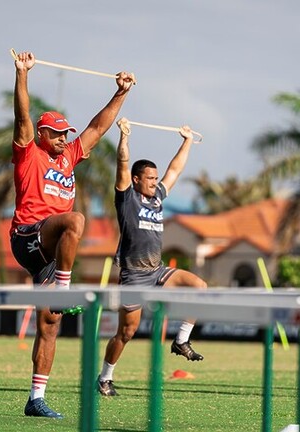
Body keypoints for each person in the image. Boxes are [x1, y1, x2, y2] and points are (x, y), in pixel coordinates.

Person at [9, 51, 135, 419]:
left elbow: (97, 128)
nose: (66, 138)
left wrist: (121, 93)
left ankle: (36, 398)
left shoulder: (69, 156)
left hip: (50, 253)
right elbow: (21, 115)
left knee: (50, 325)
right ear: (43, 133)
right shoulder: (28, 152)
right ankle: (65, 287)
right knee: (75, 220)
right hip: (28, 237)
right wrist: (22, 74)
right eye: (59, 133)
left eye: (67, 134)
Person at [96, 118, 207, 397]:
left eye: (155, 178)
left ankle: (181, 340)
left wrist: (187, 140)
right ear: (136, 180)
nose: (155, 182)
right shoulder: (126, 198)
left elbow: (175, 169)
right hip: (134, 275)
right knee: (126, 333)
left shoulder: (157, 196)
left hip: (157, 271)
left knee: (200, 287)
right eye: (150, 178)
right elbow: (122, 164)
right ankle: (105, 377)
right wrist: (124, 137)